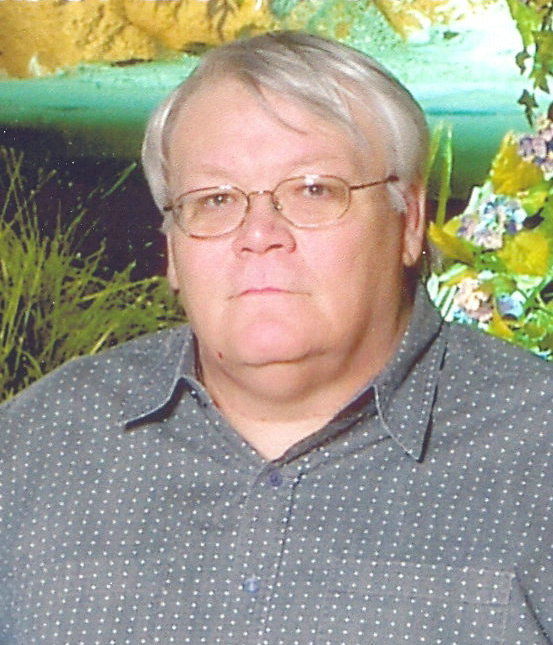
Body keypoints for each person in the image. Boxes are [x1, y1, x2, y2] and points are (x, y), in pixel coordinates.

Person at [0, 31, 551, 644]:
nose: (259, 235)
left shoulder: (537, 453)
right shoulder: (34, 448)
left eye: (313, 190)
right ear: (172, 249)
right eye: (215, 200)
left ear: (410, 221)